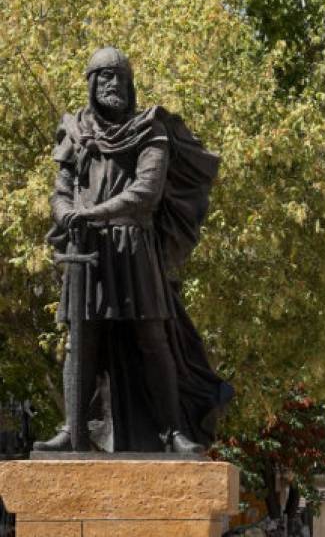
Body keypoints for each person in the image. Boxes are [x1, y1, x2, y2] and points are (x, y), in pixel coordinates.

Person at [34, 47, 233, 453]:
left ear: (130, 85)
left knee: (152, 338)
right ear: (91, 84)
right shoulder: (74, 132)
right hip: (85, 249)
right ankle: (74, 430)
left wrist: (94, 213)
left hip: (133, 246)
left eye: (120, 79)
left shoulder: (150, 129)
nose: (113, 86)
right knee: (80, 342)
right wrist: (68, 213)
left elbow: (146, 192)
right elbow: (59, 190)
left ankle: (172, 432)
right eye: (104, 78)